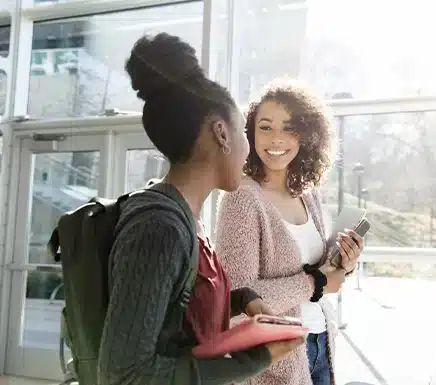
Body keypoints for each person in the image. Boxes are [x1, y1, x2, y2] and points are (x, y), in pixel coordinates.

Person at [97, 34, 303, 385]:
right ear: (221, 133)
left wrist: (245, 300)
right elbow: (123, 374)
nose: (248, 149)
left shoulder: (185, 220)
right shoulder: (158, 228)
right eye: (243, 132)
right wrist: (254, 361)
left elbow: (180, 312)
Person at [215, 80, 365, 385]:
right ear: (250, 134)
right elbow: (236, 300)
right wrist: (318, 282)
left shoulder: (307, 194)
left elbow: (319, 270)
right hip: (275, 358)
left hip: (322, 342)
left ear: (306, 136)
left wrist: (343, 265)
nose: (276, 139)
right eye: (266, 127)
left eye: (289, 128)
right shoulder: (241, 198)